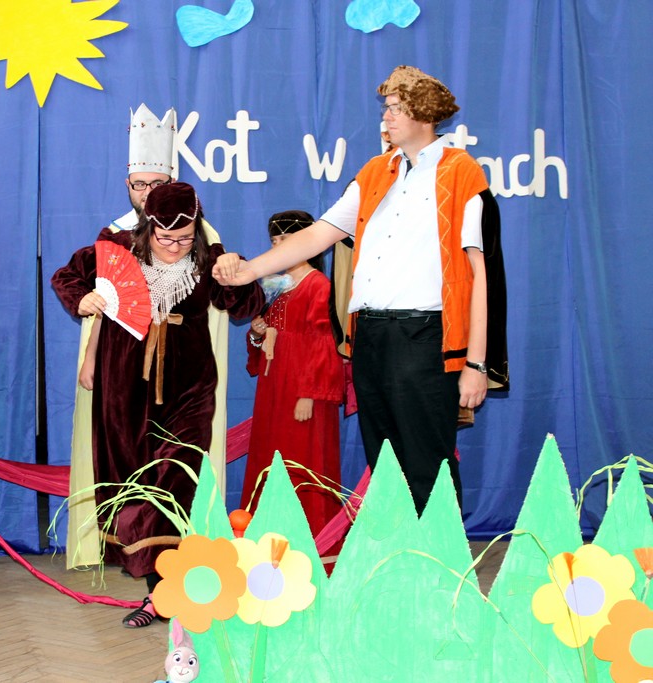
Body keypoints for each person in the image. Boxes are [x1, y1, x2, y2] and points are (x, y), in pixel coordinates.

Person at [214, 65, 508, 515]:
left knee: (427, 462)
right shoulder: (374, 172)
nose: (385, 117)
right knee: (384, 462)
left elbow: (480, 272)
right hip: (370, 336)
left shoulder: (460, 172)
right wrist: (249, 271)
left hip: (425, 337)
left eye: (396, 108)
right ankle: (392, 553)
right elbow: (319, 234)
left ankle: (438, 556)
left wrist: (476, 364)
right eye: (386, 108)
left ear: (425, 113)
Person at [52, 182, 264, 627]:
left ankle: (163, 596)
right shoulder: (118, 251)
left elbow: (244, 305)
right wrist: (82, 298)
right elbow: (66, 276)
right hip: (124, 388)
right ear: (148, 227)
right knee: (135, 485)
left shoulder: (208, 260)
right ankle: (159, 589)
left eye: (184, 238)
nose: (173, 246)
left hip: (189, 390)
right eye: (164, 237)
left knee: (175, 483)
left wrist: (239, 270)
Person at [65, 105, 233, 569]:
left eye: (156, 184)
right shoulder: (117, 239)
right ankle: (139, 559)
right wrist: (91, 354)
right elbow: (96, 293)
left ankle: (168, 564)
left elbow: (234, 295)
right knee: (127, 460)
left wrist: (238, 274)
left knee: (177, 468)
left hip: (186, 375)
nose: (147, 193)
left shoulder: (202, 237)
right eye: (139, 185)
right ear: (129, 186)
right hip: (127, 370)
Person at [241, 211, 344, 537]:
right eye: (274, 241)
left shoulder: (319, 286)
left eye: (285, 240)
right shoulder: (276, 286)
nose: (278, 247)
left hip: (303, 388)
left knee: (302, 458)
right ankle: (267, 532)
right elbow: (264, 343)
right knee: (271, 454)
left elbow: (324, 344)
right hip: (274, 388)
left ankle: (310, 535)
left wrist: (310, 394)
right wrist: (257, 334)